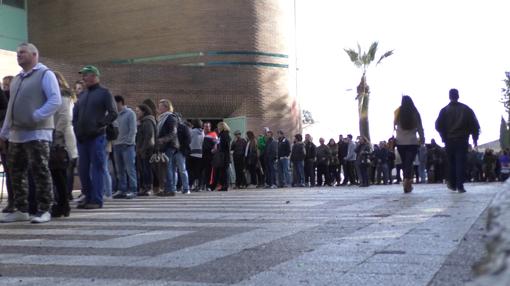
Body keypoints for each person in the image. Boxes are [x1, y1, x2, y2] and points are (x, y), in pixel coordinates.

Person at [0, 43, 62, 223]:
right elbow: (11, 107)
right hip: (17, 133)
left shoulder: (45, 74)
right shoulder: (17, 79)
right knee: (16, 171)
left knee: (40, 170)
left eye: (22, 52)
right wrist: (3, 133)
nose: (18, 55)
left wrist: (36, 115)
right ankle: (21, 209)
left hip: (38, 132)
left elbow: (55, 100)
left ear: (34, 55)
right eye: (17, 52)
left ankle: (45, 209)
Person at [73, 65, 118, 209]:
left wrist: (100, 124)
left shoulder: (104, 93)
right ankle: (88, 196)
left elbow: (113, 112)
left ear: (94, 76)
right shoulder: (83, 95)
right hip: (82, 138)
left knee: (97, 168)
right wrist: (76, 129)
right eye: (83, 75)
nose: (83, 78)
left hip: (96, 137)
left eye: (85, 75)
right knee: (83, 169)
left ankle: (97, 199)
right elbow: (76, 115)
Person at [435, 88, 480, 193]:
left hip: (449, 140)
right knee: (460, 162)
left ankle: (452, 183)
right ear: (458, 96)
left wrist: (443, 136)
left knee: (451, 162)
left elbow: (438, 126)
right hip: (462, 139)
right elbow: (475, 125)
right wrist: (475, 138)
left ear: (449, 96)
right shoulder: (466, 109)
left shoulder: (444, 110)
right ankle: (460, 185)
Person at [49, 71, 77, 217]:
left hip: (60, 139)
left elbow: (65, 117)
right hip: (57, 136)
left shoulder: (63, 95)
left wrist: (56, 133)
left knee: (59, 172)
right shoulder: (56, 94)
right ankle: (61, 203)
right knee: (57, 173)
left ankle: (63, 204)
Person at [394, 95, 425, 193]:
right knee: (409, 162)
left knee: (404, 162)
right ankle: (407, 181)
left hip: (400, 142)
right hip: (412, 142)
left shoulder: (398, 112)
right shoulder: (415, 112)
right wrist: (422, 137)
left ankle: (406, 181)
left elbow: (394, 124)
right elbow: (420, 127)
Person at [111, 95, 138, 199]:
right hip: (116, 145)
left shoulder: (130, 113)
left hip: (127, 146)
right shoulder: (114, 115)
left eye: (115, 103)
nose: (113, 106)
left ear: (120, 103)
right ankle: (122, 190)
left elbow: (133, 130)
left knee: (130, 168)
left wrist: (128, 142)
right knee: (119, 170)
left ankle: (133, 189)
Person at [155, 99, 179, 196]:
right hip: (164, 146)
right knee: (166, 167)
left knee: (167, 167)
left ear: (166, 107)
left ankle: (170, 189)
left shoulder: (170, 118)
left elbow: (173, 133)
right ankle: (168, 188)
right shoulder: (162, 118)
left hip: (169, 145)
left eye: (160, 106)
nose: (158, 108)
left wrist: (162, 140)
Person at [135, 104, 156, 196]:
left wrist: (143, 149)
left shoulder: (148, 122)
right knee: (143, 169)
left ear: (144, 111)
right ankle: (144, 187)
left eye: (138, 111)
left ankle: (148, 188)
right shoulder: (143, 122)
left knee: (147, 169)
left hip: (147, 150)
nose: (137, 113)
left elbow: (149, 137)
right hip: (141, 149)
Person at [0, 75, 14, 213]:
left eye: (7, 86)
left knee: (12, 171)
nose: (6, 89)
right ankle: (12, 200)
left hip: (10, 138)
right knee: (8, 170)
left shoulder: (10, 100)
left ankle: (14, 201)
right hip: (5, 137)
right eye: (4, 86)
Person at [212, 122, 231, 191]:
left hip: (224, 156)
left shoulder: (225, 134)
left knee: (224, 171)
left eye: (219, 126)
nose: (218, 128)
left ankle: (225, 186)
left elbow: (226, 147)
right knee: (222, 171)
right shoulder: (222, 134)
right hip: (222, 155)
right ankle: (223, 185)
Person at [188, 119, 204, 191]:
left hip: (192, 153)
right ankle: (199, 186)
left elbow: (188, 141)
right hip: (200, 154)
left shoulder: (192, 131)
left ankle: (191, 185)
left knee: (191, 171)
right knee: (198, 171)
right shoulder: (203, 132)